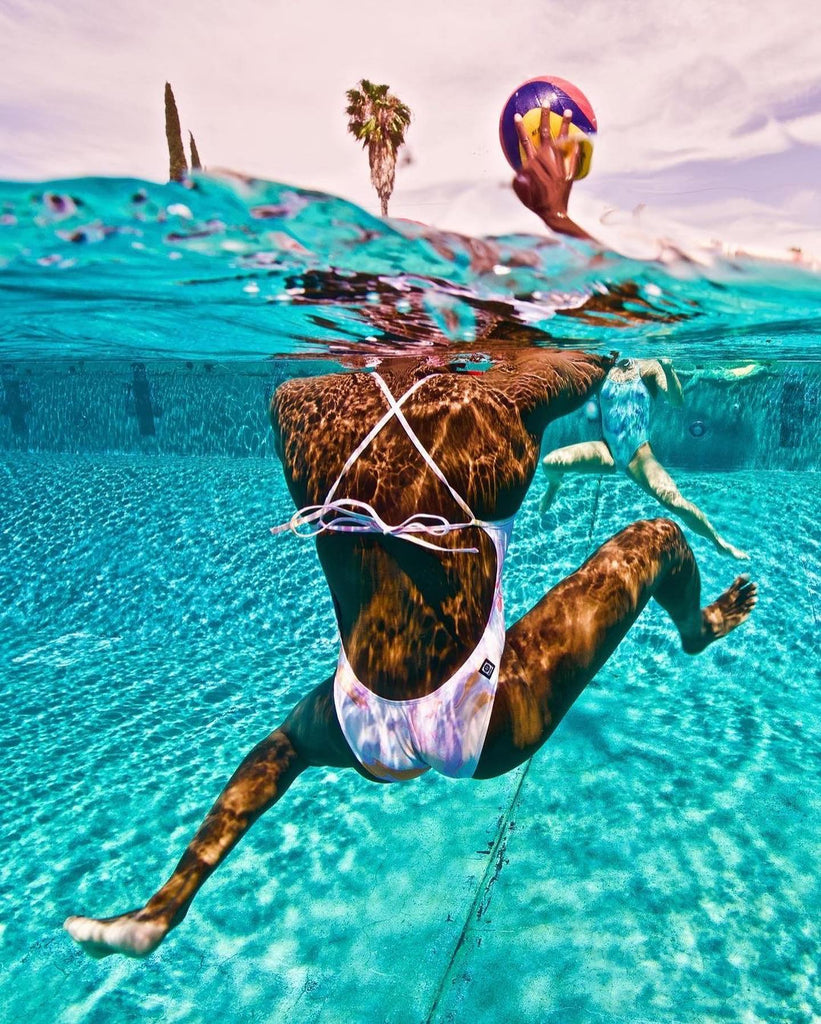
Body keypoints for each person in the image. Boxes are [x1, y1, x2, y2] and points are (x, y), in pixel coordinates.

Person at [64, 348, 757, 959]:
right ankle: (693, 629)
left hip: (361, 714)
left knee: (287, 746)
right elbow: (590, 362)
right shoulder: (493, 407)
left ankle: (163, 908)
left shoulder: (302, 408)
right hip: (479, 721)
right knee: (656, 538)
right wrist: (505, 340)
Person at [540, 356, 749, 560]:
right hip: (606, 450)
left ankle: (718, 542)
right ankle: (554, 485)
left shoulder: (649, 366)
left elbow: (677, 401)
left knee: (675, 501)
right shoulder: (604, 367)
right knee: (550, 462)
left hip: (638, 455)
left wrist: (668, 369)